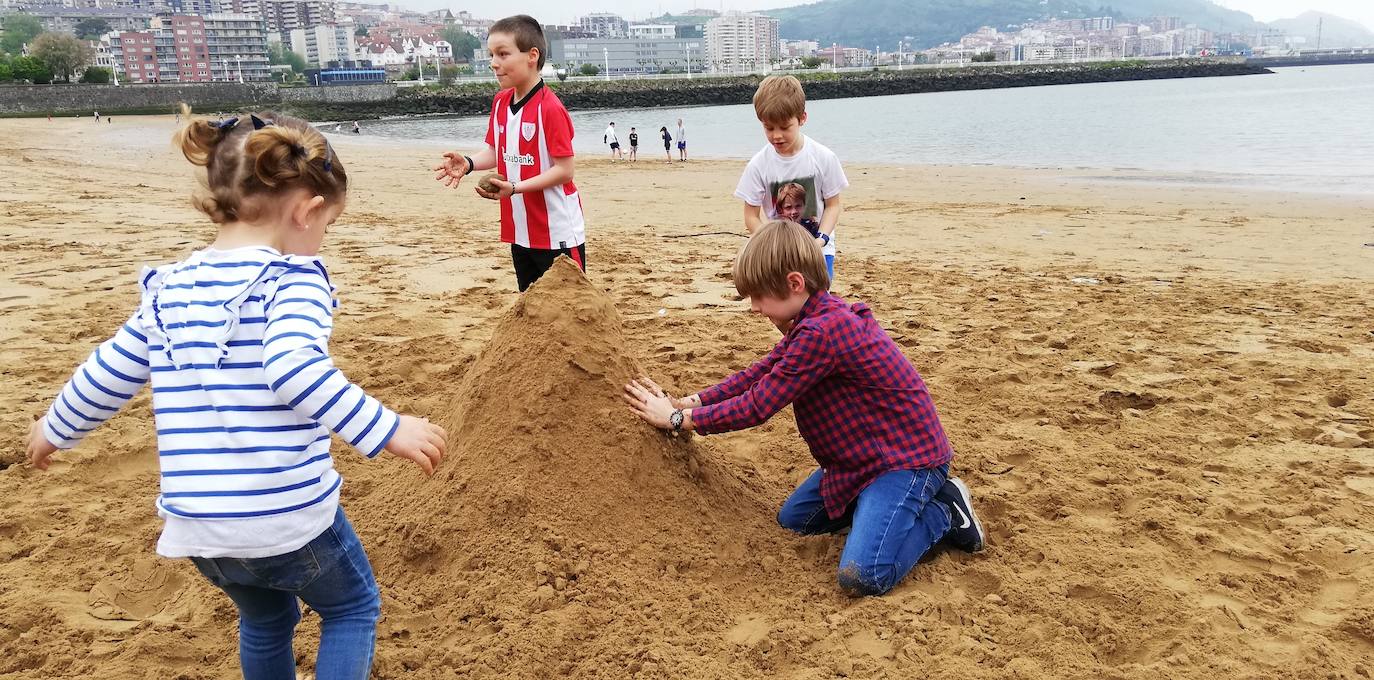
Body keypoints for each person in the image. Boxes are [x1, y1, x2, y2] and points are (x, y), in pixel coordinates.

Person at [25, 106, 447, 679]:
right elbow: (293, 368)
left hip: (200, 528)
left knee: (267, 620)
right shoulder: (294, 279)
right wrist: (388, 428)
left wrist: (53, 431)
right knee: (351, 608)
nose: (322, 240)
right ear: (306, 210)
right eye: (327, 226)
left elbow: (107, 373)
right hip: (285, 517)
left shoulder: (166, 288)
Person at [624, 220, 985, 597]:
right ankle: (876, 507)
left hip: (906, 460)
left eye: (759, 297)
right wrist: (691, 401)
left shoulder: (823, 332)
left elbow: (758, 405)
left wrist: (679, 420)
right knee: (795, 521)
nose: (755, 309)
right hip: (858, 462)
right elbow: (759, 373)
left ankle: (944, 510)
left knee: (863, 575)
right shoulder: (811, 321)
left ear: (795, 284)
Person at [431, 15, 587, 293]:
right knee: (531, 307)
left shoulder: (549, 108)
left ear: (532, 56)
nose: (494, 62)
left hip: (558, 232)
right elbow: (496, 151)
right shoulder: (501, 102)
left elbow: (565, 170)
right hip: (520, 229)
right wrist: (467, 163)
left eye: (503, 54)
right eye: (492, 54)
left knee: (570, 310)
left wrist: (515, 188)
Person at [736, 75, 847, 281]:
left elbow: (833, 206)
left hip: (819, 252)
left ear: (802, 118)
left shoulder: (823, 157)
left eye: (785, 127)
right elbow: (751, 215)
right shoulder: (758, 165)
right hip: (779, 256)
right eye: (769, 128)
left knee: (817, 306)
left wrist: (820, 240)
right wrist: (770, 242)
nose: (776, 136)